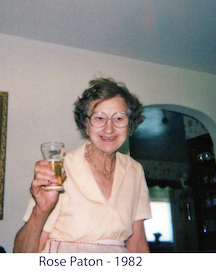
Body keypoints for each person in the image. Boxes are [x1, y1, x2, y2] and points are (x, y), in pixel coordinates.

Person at [13, 78, 151, 253]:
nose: (109, 129)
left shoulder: (135, 170)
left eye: (119, 118)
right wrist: (40, 210)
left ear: (129, 125)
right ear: (85, 125)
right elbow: (22, 255)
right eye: (99, 118)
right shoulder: (60, 168)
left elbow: (137, 242)